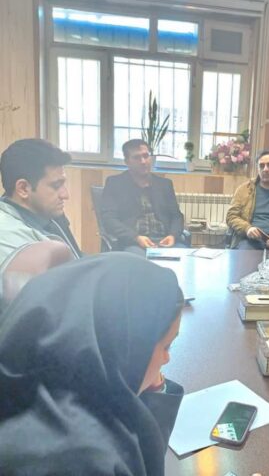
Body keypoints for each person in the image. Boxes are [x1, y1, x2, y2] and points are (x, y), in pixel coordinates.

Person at [0, 253, 184, 476]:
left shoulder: (43, 380)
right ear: (127, 344)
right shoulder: (85, 458)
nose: (166, 359)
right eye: (167, 346)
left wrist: (152, 389)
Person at [0, 138, 81, 266]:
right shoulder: (8, 237)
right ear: (23, 188)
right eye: (56, 186)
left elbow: (78, 259)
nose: (65, 195)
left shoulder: (50, 214)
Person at [101, 139, 185, 255]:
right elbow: (109, 220)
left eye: (146, 156)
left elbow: (177, 216)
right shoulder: (115, 184)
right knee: (139, 262)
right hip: (133, 243)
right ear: (127, 162)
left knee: (186, 258)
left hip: (165, 241)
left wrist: (173, 235)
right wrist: (135, 238)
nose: (143, 161)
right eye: (136, 157)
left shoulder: (165, 184)